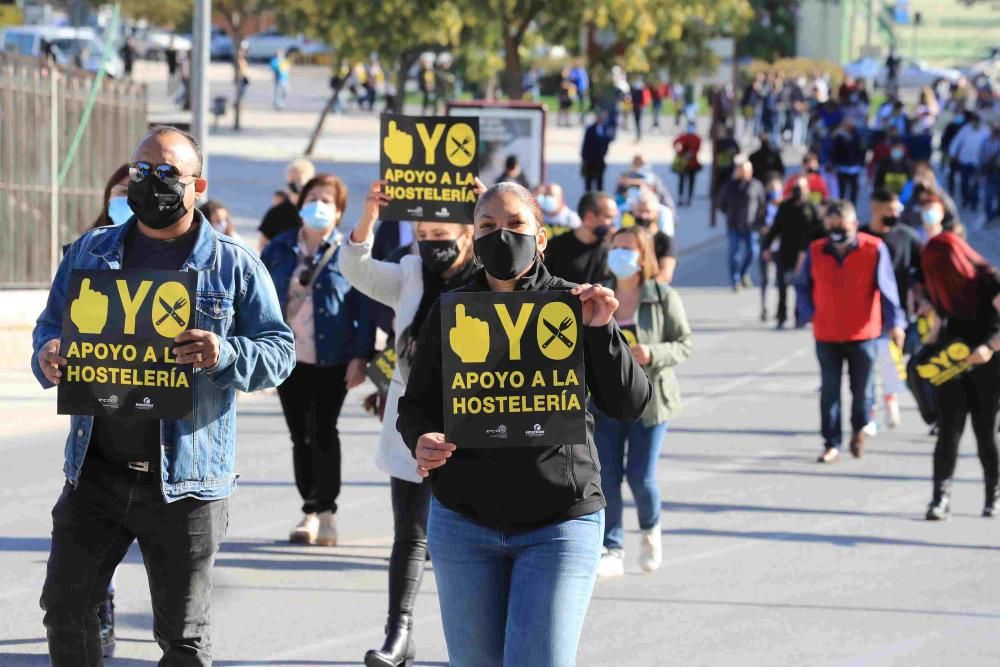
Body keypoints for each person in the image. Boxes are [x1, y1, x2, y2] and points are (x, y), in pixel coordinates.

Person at [32, 125, 295, 666]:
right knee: (65, 609)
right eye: (142, 170)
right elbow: (47, 327)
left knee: (183, 639)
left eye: (167, 173)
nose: (151, 182)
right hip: (95, 473)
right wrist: (48, 354)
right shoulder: (90, 251)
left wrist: (222, 353)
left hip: (187, 487)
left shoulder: (233, 264)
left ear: (196, 185)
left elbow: (280, 353)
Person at [395, 182, 651, 666]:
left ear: (542, 237)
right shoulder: (451, 309)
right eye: (488, 226)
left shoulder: (573, 305)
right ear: (473, 236)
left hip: (558, 520)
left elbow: (630, 403)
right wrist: (420, 439)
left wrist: (602, 333)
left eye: (515, 225)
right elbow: (417, 405)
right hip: (463, 521)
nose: (502, 235)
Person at [341, 179, 483, 667]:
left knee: (479, 533)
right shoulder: (408, 273)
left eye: (441, 232)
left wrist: (488, 211)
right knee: (411, 531)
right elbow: (354, 267)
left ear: (468, 235)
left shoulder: (489, 276)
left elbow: (532, 270)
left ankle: (483, 639)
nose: (431, 242)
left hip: (479, 420)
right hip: (415, 422)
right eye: (423, 233)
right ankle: (398, 633)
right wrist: (369, 216)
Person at [261, 174, 375, 547]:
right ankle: (308, 509)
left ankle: (326, 514)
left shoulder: (348, 253)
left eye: (328, 200)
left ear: (340, 210)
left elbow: (364, 308)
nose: (319, 205)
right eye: (314, 197)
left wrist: (361, 357)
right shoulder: (278, 249)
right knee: (300, 435)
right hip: (286, 359)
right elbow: (257, 298)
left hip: (333, 359)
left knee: (323, 431)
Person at [596, 226, 692, 578]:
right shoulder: (599, 293)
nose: (620, 253)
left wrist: (651, 352)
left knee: (640, 477)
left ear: (643, 256)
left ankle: (651, 531)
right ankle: (612, 547)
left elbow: (684, 343)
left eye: (628, 248)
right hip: (605, 401)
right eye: (616, 246)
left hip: (650, 404)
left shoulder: (662, 296)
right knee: (607, 476)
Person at [796, 200, 907, 463]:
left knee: (863, 390)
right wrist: (808, 312)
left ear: (854, 225)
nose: (837, 231)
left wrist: (896, 324)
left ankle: (859, 429)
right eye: (832, 226)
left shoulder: (874, 248)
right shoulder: (816, 250)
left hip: (863, 334)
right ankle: (831, 443)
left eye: (842, 226)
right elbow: (801, 285)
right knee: (830, 391)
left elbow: (888, 289)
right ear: (825, 225)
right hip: (827, 334)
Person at [919, 232, 1000, 520]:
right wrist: (926, 343)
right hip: (951, 366)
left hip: (988, 365)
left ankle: (993, 495)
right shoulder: (940, 287)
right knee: (948, 434)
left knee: (985, 434)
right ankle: (940, 498)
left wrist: (990, 347)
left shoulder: (988, 280)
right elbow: (939, 324)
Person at [860, 190, 924, 428]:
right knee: (864, 364)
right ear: (876, 207)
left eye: (898, 210)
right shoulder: (862, 236)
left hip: (895, 311)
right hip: (864, 311)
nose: (895, 214)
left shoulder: (907, 236)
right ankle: (868, 412)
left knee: (890, 359)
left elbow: (924, 267)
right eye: (890, 210)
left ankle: (890, 398)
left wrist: (921, 294)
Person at [762, 176, 823, 328]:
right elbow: (775, 228)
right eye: (796, 188)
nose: (798, 191)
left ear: (807, 190)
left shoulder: (812, 208)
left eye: (801, 188)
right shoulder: (785, 206)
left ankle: (799, 317)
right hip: (785, 252)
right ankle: (782, 316)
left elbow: (819, 232)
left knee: (801, 286)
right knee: (782, 286)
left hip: (805, 254)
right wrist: (767, 247)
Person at [544, 191, 617, 285]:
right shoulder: (555, 247)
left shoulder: (609, 248)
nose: (612, 224)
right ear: (589, 217)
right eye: (609, 217)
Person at [716, 157, 766, 290]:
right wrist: (730, 213)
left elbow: (762, 204)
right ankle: (735, 280)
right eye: (741, 170)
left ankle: (744, 273)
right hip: (734, 224)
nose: (744, 173)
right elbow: (721, 204)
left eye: (746, 170)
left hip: (751, 225)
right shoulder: (730, 186)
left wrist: (760, 221)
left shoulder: (756, 185)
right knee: (734, 254)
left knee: (752, 251)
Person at [258, 158, 316, 252]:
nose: (294, 188)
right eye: (291, 183)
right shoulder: (277, 212)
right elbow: (263, 243)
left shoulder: (316, 211)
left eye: (299, 183)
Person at [621, 189, 677, 283]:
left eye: (647, 211)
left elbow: (666, 273)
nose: (643, 216)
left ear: (656, 213)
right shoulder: (625, 237)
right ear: (633, 212)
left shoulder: (665, 240)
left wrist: (643, 289)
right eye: (639, 211)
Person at [949, 112, 991, 213]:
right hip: (965, 160)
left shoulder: (985, 131)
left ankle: (974, 203)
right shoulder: (966, 129)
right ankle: (965, 199)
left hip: (977, 162)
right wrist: (953, 153)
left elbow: (990, 144)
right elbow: (957, 141)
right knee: (964, 182)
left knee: (975, 184)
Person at [831, 118, 866, 205]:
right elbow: (834, 150)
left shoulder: (857, 135)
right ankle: (841, 206)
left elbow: (861, 150)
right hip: (842, 167)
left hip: (854, 167)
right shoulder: (839, 136)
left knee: (854, 190)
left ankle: (852, 207)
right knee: (842, 190)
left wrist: (861, 162)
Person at [581, 111, 615, 192]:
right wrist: (584, 157)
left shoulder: (606, 129)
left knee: (599, 181)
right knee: (589, 180)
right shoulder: (590, 129)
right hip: (590, 159)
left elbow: (608, 140)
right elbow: (585, 144)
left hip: (600, 159)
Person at [91, 164, 132, 229]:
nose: (130, 199)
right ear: (108, 197)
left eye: (137, 193)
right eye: (124, 191)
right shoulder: (93, 237)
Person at [673, 122, 702, 206]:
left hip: (693, 164)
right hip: (682, 164)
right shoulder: (683, 136)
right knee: (682, 181)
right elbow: (676, 143)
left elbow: (697, 149)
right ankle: (681, 197)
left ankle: (689, 198)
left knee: (691, 181)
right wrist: (678, 147)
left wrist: (690, 153)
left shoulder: (697, 138)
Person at [982, 121, 1000, 224]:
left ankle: (996, 215)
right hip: (990, 173)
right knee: (988, 196)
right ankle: (989, 216)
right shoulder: (986, 142)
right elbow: (982, 157)